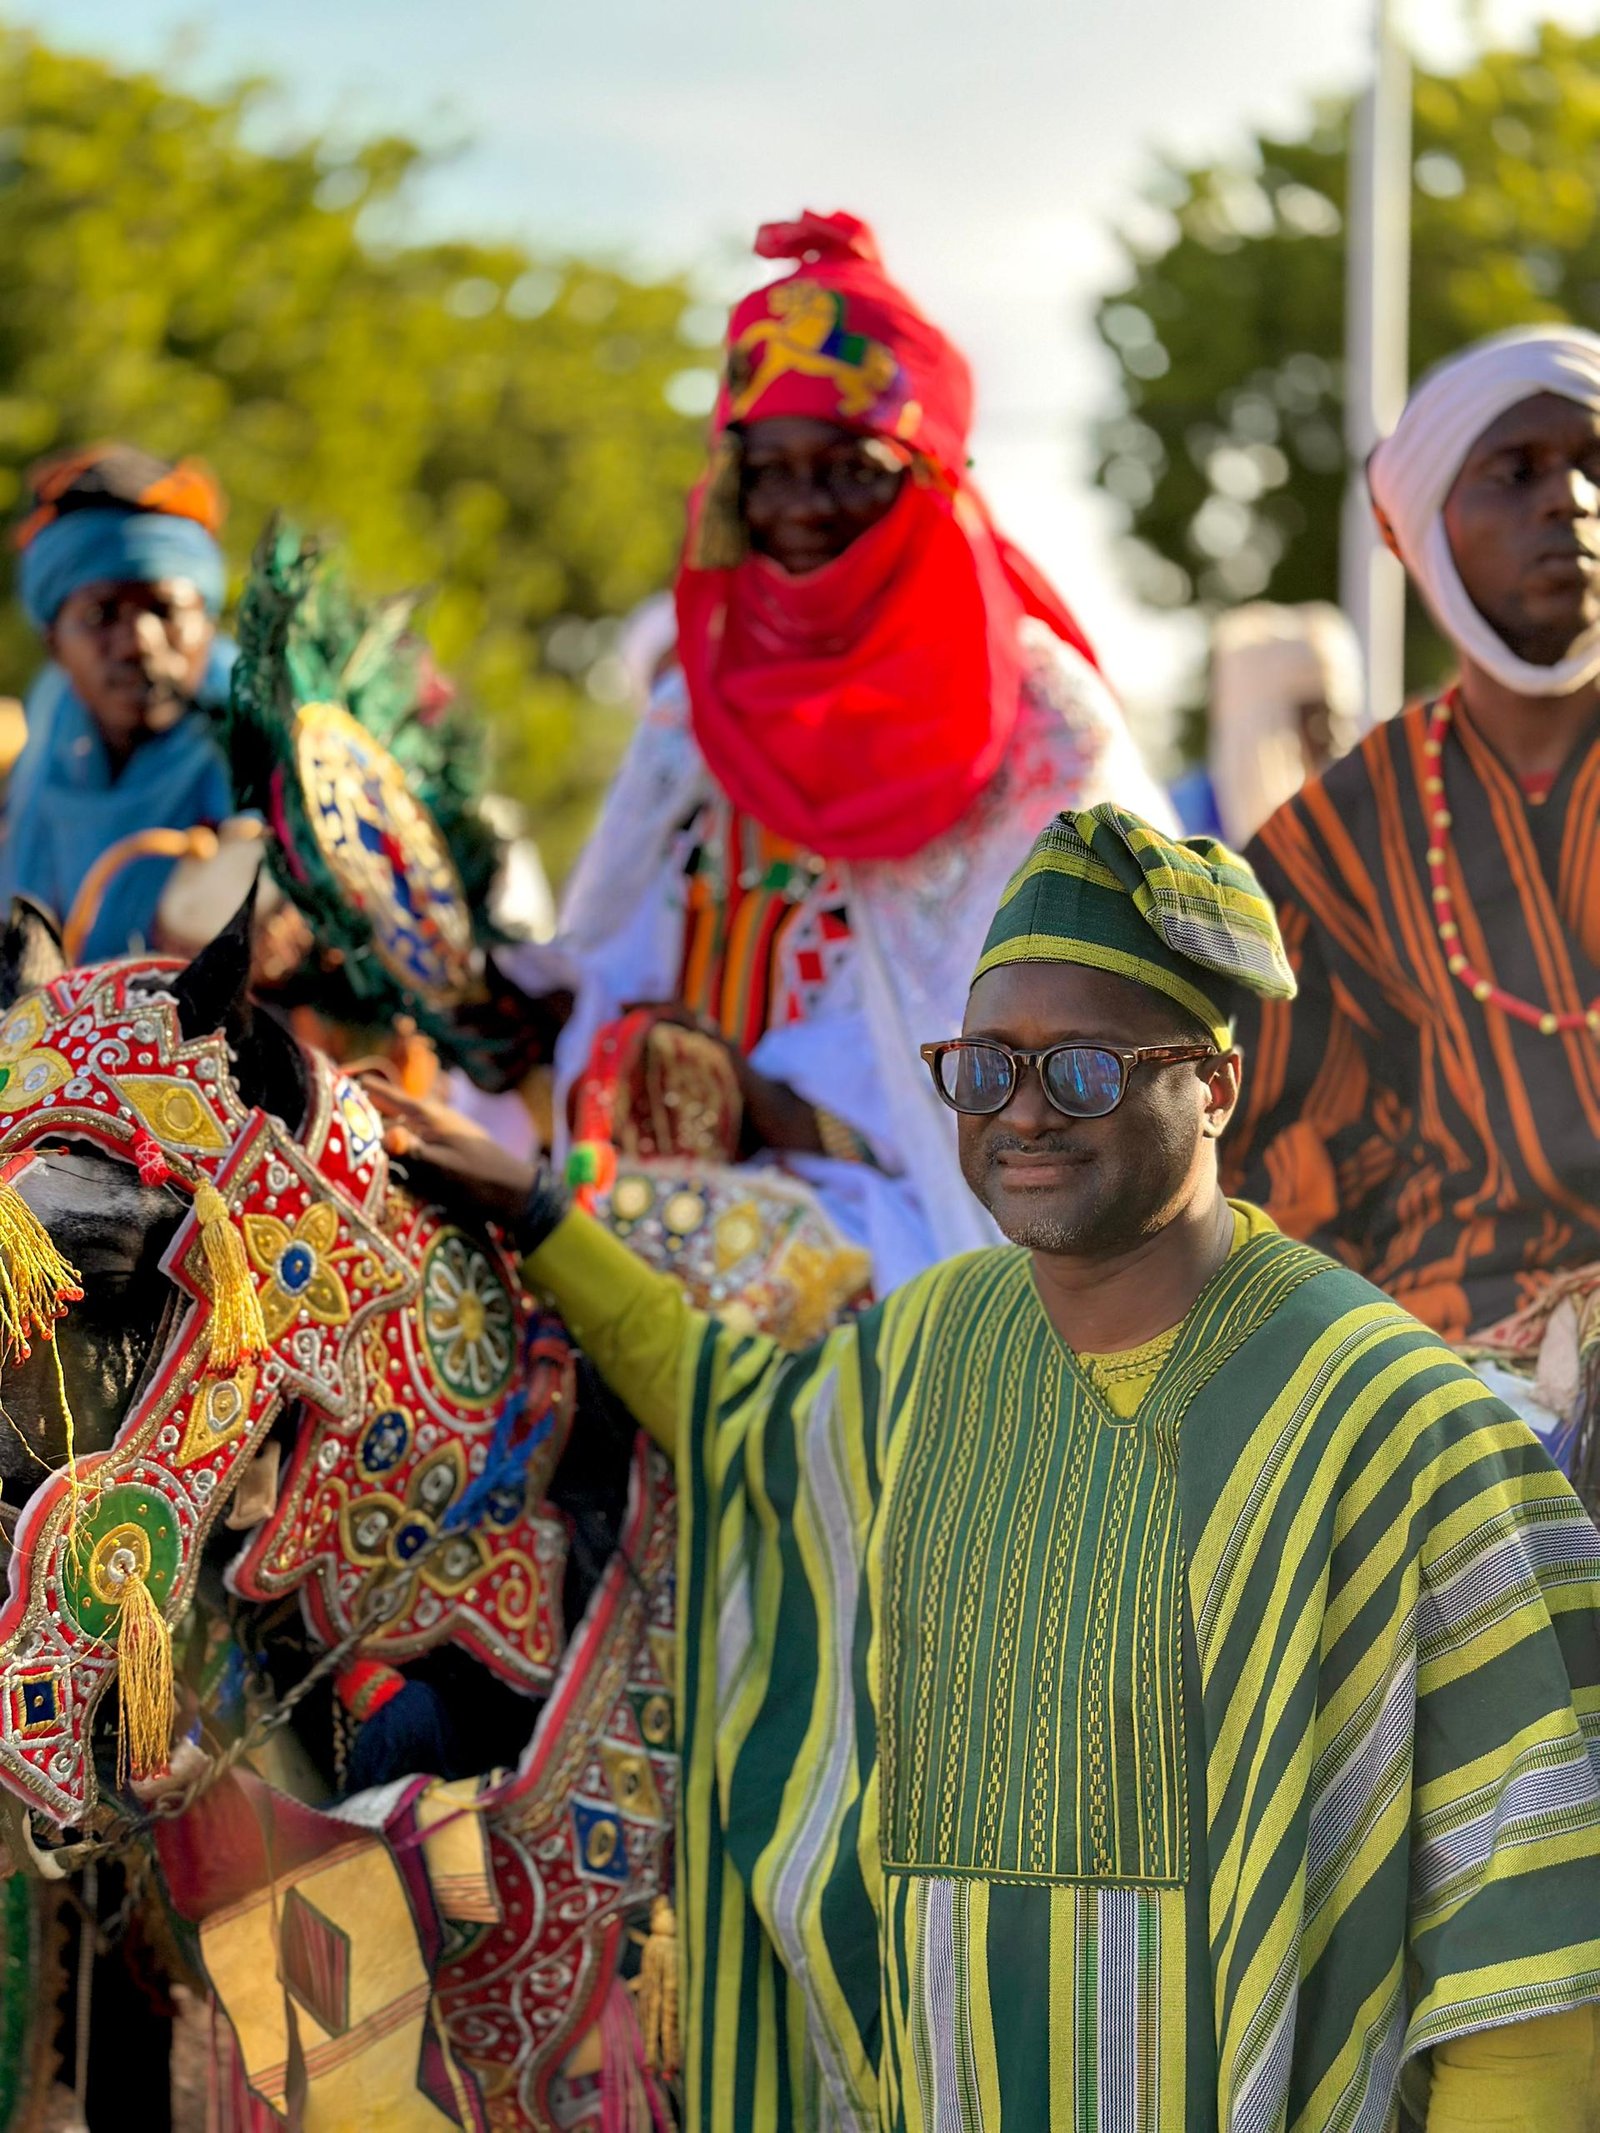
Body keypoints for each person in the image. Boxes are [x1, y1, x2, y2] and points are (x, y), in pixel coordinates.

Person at [374, 803, 1600, 2133]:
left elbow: (1526, 1976)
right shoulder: (936, 1354)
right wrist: (536, 1208)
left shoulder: (1399, 1438)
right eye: (984, 1069)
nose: (1022, 1113)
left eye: (1081, 1069)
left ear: (1217, 1085)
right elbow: (734, 1413)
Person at [537, 209, 1171, 1292]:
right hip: (657, 1209)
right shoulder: (696, 710)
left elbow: (1097, 1047)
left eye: (846, 467)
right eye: (767, 472)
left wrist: (782, 1110)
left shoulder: (1039, 719)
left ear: (930, 477)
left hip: (954, 1245)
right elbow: (594, 965)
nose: (798, 508)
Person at [1224, 327, 1600, 1463]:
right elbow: (1265, 1162)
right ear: (1427, 526)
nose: (1571, 502)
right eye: (1516, 471)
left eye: (1593, 463)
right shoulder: (1328, 842)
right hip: (1438, 1361)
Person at [0, 443, 235, 960]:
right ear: (54, 643)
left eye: (166, 609)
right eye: (102, 615)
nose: (138, 643)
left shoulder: (270, 759)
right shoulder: (48, 728)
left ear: (209, 621)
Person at [1170, 600, 1363, 844]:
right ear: (1265, 720)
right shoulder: (1181, 822)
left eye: (1340, 717)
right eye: (1318, 717)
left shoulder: (1339, 820)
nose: (1337, 736)